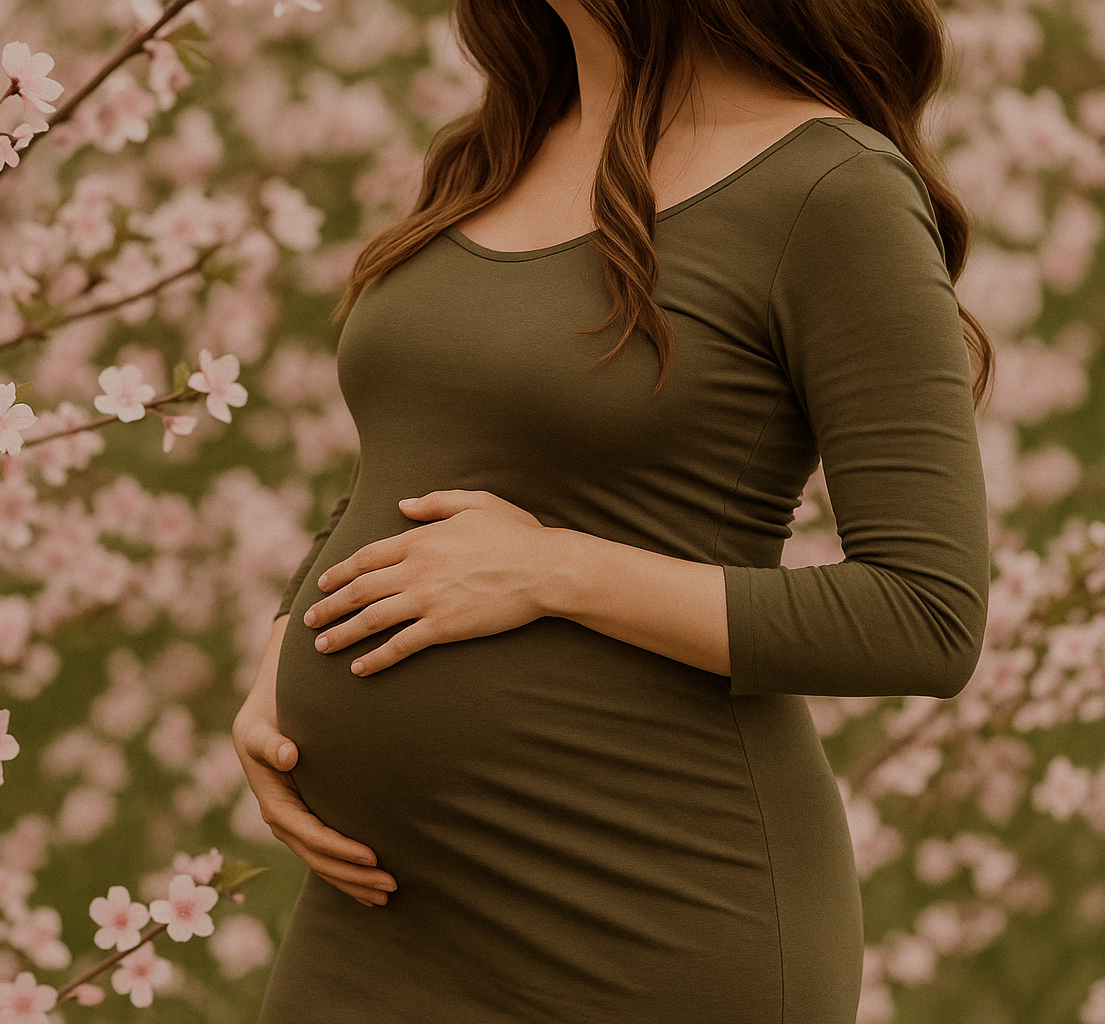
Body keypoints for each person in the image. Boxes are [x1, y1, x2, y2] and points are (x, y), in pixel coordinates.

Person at [232, 0, 994, 1019]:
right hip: (380, 909)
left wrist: (558, 570)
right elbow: (412, 458)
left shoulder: (832, 188)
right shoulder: (496, 148)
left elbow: (926, 615)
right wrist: (283, 653)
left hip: (647, 913)